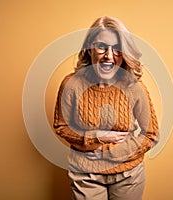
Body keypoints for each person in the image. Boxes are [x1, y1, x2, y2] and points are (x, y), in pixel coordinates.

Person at [53, 16, 159, 200]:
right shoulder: (71, 84)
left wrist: (107, 152)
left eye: (117, 49)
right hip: (85, 173)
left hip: (128, 174)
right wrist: (95, 136)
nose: (109, 56)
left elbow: (151, 134)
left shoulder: (134, 87)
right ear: (89, 48)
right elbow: (61, 126)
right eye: (102, 47)